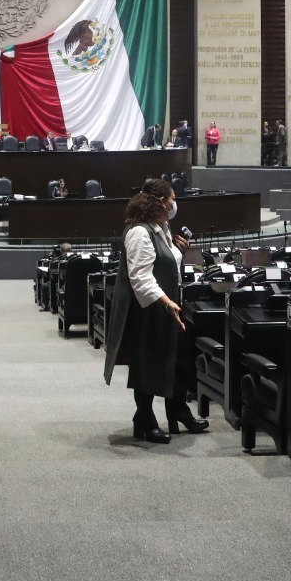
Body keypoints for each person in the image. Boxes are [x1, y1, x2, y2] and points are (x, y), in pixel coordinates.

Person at [103, 178, 207, 443]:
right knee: (147, 363)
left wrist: (177, 252)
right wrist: (167, 303)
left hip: (168, 303)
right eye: (172, 199)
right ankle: (145, 419)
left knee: (177, 359)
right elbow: (140, 277)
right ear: (161, 202)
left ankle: (178, 411)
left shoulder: (162, 227)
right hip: (148, 308)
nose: (174, 204)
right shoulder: (139, 232)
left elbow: (164, 261)